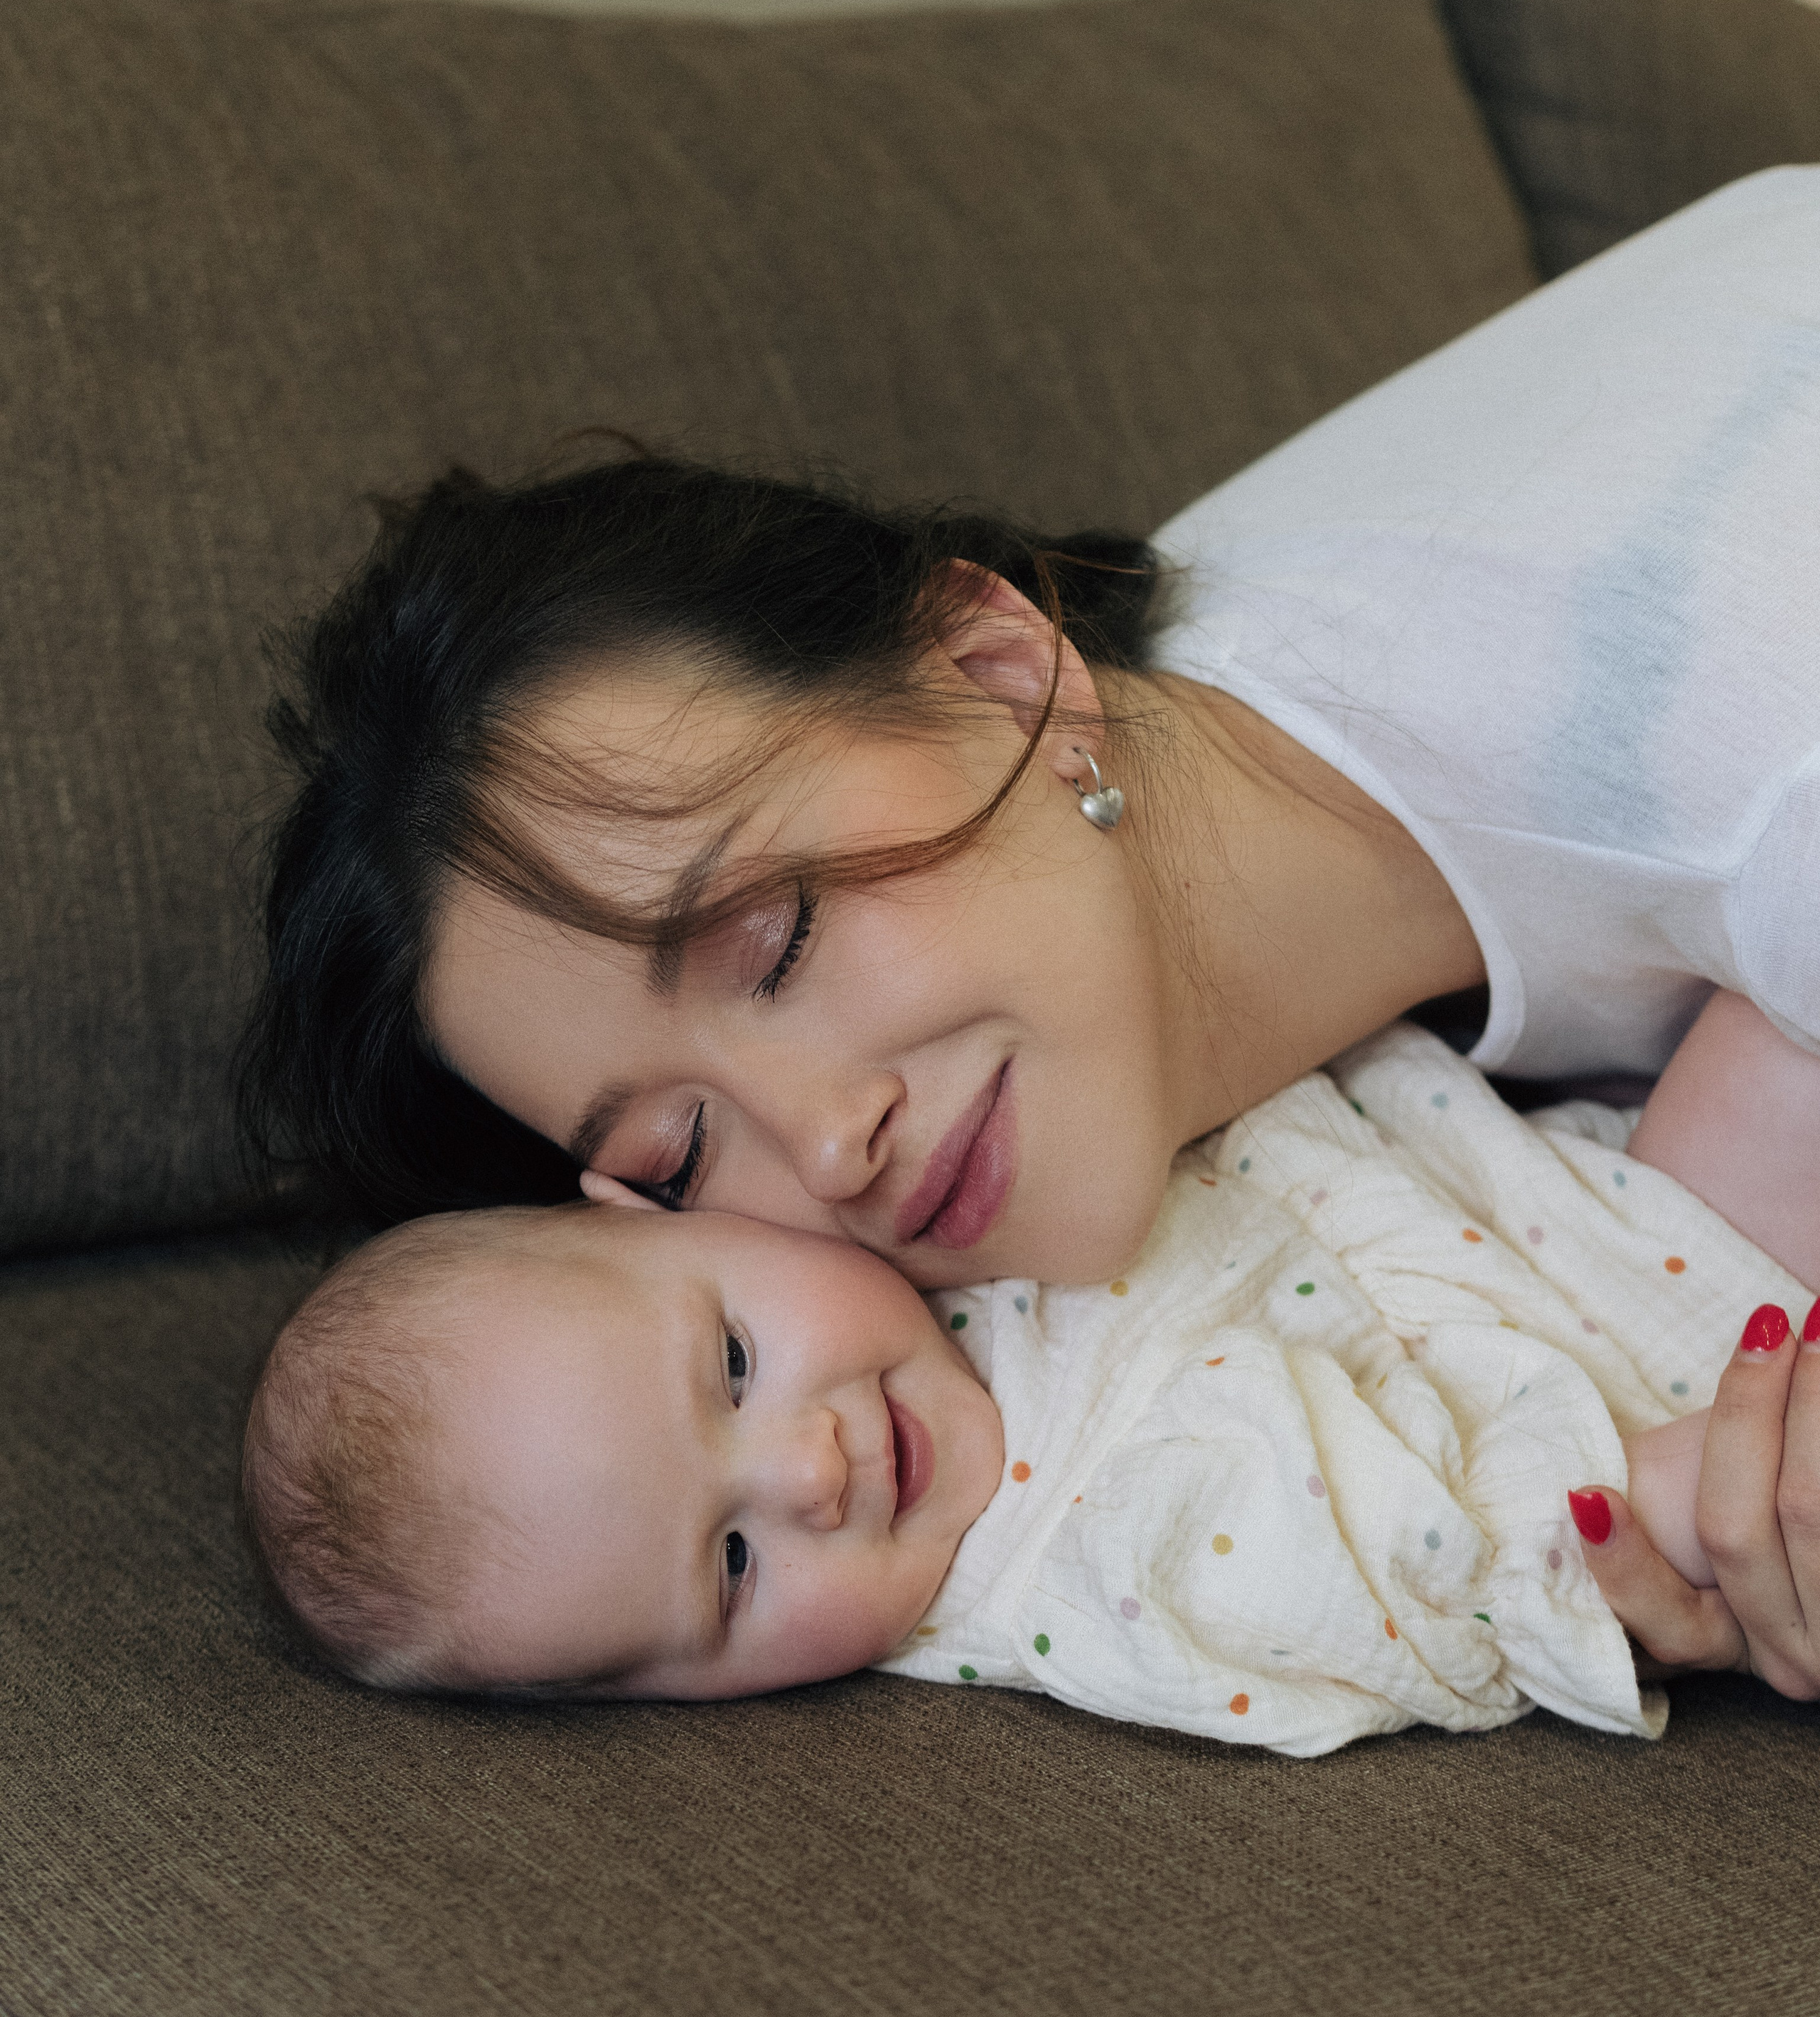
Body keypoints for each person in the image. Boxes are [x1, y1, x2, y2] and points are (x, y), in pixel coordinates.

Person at [239, 167, 1820, 1702]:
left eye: (776, 940)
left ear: (1002, 670)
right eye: (675, 1155)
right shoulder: (1184, 703)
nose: (829, 1143)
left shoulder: (1754, 776)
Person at [241, 1013, 1815, 1753]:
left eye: (730, 1360)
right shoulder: (1102, 1558)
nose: (812, 1470)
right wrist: (1662, 1497)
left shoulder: (918, 1211)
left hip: (1565, 1165)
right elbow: (1416, 1567)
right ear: (678, 1692)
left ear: (665, 1210)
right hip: (1675, 1358)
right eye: (729, 1567)